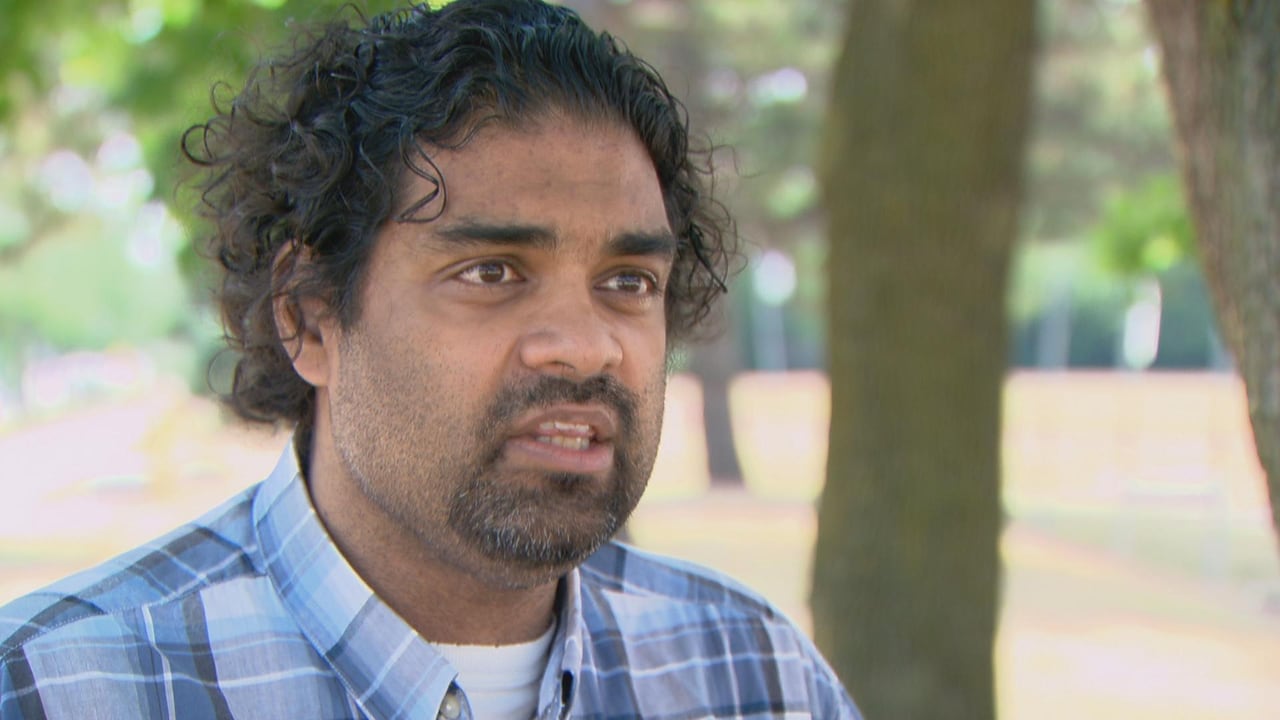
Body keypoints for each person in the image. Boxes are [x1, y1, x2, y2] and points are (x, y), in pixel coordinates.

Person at [0, 2, 859, 718]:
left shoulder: (758, 679)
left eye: (628, 281)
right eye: (492, 272)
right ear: (309, 315)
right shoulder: (66, 689)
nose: (586, 344)